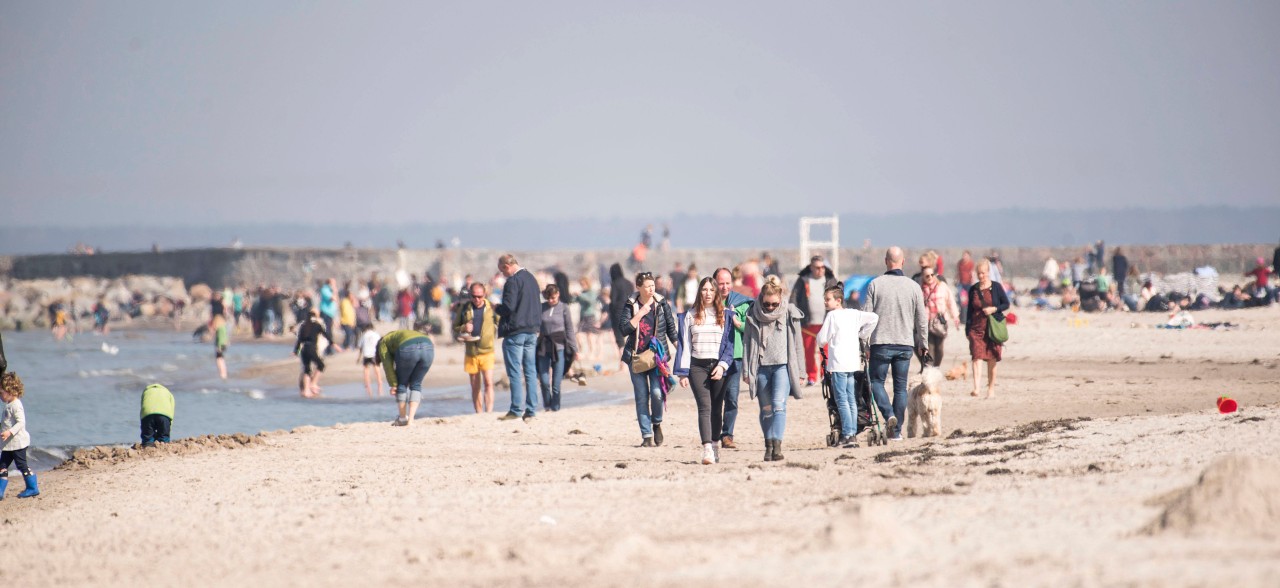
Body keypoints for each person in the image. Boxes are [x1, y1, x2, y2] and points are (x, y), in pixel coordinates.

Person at [865, 246, 928, 442]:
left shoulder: (875, 284)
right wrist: (923, 343)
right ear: (903, 262)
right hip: (905, 344)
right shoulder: (913, 286)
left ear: (886, 261)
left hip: (880, 343)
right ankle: (896, 432)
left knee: (875, 382)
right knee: (900, 388)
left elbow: (866, 316)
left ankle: (888, 414)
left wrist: (864, 342)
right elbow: (922, 319)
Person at [742, 278, 805, 462]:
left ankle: (777, 446)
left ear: (781, 299)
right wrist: (746, 370)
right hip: (760, 367)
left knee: (779, 405)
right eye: (766, 304)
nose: (770, 308)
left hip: (782, 367)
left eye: (774, 304)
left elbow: (798, 343)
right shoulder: (753, 313)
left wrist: (801, 371)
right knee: (766, 409)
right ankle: (768, 445)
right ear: (761, 299)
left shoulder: (789, 313)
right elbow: (747, 342)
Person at [674, 277, 735, 465]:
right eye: (704, 289)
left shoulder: (725, 315)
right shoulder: (689, 316)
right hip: (697, 366)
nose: (707, 293)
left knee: (717, 409)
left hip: (718, 366)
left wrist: (722, 365)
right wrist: (683, 372)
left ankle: (715, 446)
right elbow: (684, 346)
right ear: (699, 292)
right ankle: (707, 449)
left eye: (711, 290)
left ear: (716, 293)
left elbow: (730, 345)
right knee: (704, 407)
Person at [619, 271, 678, 447]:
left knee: (657, 393)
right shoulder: (631, 304)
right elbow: (623, 330)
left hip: (657, 357)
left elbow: (670, 328)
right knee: (641, 396)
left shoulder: (661, 303)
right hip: (636, 358)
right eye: (647, 286)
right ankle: (646, 435)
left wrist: (679, 347)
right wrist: (640, 314)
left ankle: (657, 423)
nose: (652, 289)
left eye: (653, 285)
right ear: (639, 288)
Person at [817, 285, 879, 447]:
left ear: (838, 301)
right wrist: (862, 334)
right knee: (851, 399)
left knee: (842, 400)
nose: (825, 302)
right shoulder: (854, 313)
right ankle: (851, 433)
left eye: (828, 299)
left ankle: (849, 434)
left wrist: (826, 339)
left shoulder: (832, 316)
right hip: (852, 363)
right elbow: (874, 318)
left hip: (838, 364)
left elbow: (822, 339)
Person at [495, 254, 543, 422]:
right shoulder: (531, 278)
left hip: (516, 330)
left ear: (507, 266)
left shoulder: (513, 281)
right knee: (530, 371)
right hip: (532, 330)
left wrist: (496, 308)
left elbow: (509, 306)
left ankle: (516, 409)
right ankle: (531, 409)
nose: (502, 274)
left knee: (515, 372)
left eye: (502, 271)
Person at [713, 267, 753, 449]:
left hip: (735, 356)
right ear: (714, 283)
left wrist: (739, 324)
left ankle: (727, 435)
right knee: (715, 398)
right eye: (721, 283)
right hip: (713, 356)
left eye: (727, 283)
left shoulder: (740, 303)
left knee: (732, 398)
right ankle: (713, 434)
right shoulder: (708, 302)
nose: (724, 287)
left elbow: (750, 327)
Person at [791, 255, 838, 387]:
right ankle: (811, 376)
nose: (820, 270)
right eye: (817, 267)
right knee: (809, 351)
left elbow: (839, 298)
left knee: (827, 351)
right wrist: (794, 315)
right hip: (808, 323)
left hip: (826, 322)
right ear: (811, 267)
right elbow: (794, 299)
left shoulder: (830, 280)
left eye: (822, 267)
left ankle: (826, 375)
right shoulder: (802, 280)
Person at [967, 259, 1011, 398]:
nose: (981, 276)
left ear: (988, 272)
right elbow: (969, 311)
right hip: (976, 328)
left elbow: (1006, 304)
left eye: (983, 273)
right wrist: (967, 330)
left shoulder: (996, 287)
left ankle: (991, 389)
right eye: (979, 273)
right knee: (976, 357)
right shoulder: (973, 289)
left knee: (992, 358)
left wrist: (994, 308)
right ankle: (977, 388)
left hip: (993, 327)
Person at [377, 326, 435, 426]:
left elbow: (387, 366)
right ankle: (411, 420)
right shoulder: (398, 335)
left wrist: (393, 384)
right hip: (428, 346)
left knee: (401, 384)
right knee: (416, 384)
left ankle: (402, 418)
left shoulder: (383, 343)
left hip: (408, 347)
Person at [453, 282, 497, 413]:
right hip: (471, 351)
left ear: (485, 294)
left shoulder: (492, 308)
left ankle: (488, 412)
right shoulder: (465, 308)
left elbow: (502, 321)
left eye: (480, 296)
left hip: (487, 350)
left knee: (489, 382)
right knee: (475, 386)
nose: (477, 299)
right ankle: (479, 412)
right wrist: (463, 328)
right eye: (474, 296)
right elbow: (455, 327)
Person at [537, 284, 577, 412]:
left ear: (558, 294)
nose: (550, 300)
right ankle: (547, 405)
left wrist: (574, 348)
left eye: (553, 298)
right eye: (548, 298)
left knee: (556, 382)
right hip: (543, 345)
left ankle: (555, 407)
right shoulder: (541, 307)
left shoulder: (564, 308)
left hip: (559, 346)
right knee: (543, 380)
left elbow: (569, 328)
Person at [0, 371, 38, 499]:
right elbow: (6, 423)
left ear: (10, 391)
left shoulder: (16, 405)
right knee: (2, 466)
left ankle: (32, 487)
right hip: (8, 444)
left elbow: (21, 422)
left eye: (1, 393)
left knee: (22, 465)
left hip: (18, 443)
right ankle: (0, 491)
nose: (0, 396)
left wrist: (9, 432)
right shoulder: (8, 405)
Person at [920, 266, 960, 367]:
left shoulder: (942, 286)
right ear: (923, 277)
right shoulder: (921, 289)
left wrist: (955, 316)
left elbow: (951, 302)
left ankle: (936, 367)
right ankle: (929, 372)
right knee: (930, 348)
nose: (929, 277)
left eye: (931, 275)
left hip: (940, 321)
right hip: (927, 322)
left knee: (940, 349)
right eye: (927, 276)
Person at [293, 308, 332, 398]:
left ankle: (307, 388)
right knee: (310, 368)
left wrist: (296, 351)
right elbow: (324, 336)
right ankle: (309, 387)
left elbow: (298, 336)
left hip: (311, 348)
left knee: (307, 368)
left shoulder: (306, 324)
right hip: (313, 348)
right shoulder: (316, 323)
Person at [608, 263, 635, 361]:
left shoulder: (615, 284)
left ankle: (623, 363)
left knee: (620, 338)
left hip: (618, 313)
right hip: (630, 311)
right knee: (631, 335)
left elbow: (613, 300)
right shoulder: (628, 283)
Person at [573, 277, 604, 364]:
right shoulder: (582, 293)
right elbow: (574, 300)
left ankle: (592, 352)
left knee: (589, 335)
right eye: (581, 284)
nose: (582, 286)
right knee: (578, 334)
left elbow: (590, 301)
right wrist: (573, 296)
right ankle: (582, 351)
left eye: (583, 284)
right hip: (582, 316)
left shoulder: (591, 292)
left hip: (590, 315)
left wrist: (580, 295)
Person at [140, 383, 175, 447]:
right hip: (164, 414)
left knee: (148, 437)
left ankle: (147, 446)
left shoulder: (146, 392)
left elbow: (143, 407)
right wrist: (169, 427)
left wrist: (143, 422)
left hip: (148, 414)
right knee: (164, 437)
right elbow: (171, 412)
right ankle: (163, 444)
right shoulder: (168, 393)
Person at [357, 326, 385, 397]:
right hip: (374, 354)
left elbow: (360, 347)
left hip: (366, 354)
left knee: (366, 369)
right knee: (376, 368)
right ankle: (379, 381)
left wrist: (359, 357)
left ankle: (367, 383)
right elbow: (380, 343)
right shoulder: (376, 334)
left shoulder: (364, 335)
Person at [212, 314, 229, 379]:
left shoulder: (220, 328)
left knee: (219, 360)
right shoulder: (224, 327)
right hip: (223, 344)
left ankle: (223, 374)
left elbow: (220, 338)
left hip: (220, 345)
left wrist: (219, 347)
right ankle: (224, 374)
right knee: (221, 359)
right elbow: (225, 336)